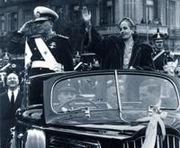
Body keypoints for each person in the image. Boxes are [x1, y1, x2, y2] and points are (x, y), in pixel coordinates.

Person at [81, 7, 154, 70]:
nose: (122, 31)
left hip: (133, 84)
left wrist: (137, 71)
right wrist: (88, 24)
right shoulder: (112, 44)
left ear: (132, 30)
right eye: (121, 29)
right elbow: (98, 44)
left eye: (125, 28)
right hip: (114, 84)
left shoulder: (142, 49)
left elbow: (149, 69)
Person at [8, 6, 73, 76]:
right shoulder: (32, 41)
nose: (38, 25)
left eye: (42, 22)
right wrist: (20, 32)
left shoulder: (62, 41)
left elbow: (69, 67)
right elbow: (12, 49)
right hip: (35, 81)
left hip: (52, 80)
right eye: (37, 23)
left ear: (51, 23)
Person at [0, 72, 23, 148]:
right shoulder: (1, 97)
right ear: (6, 82)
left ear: (19, 81)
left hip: (21, 130)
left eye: (14, 78)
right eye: (10, 78)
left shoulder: (25, 97)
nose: (12, 80)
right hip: (4, 133)